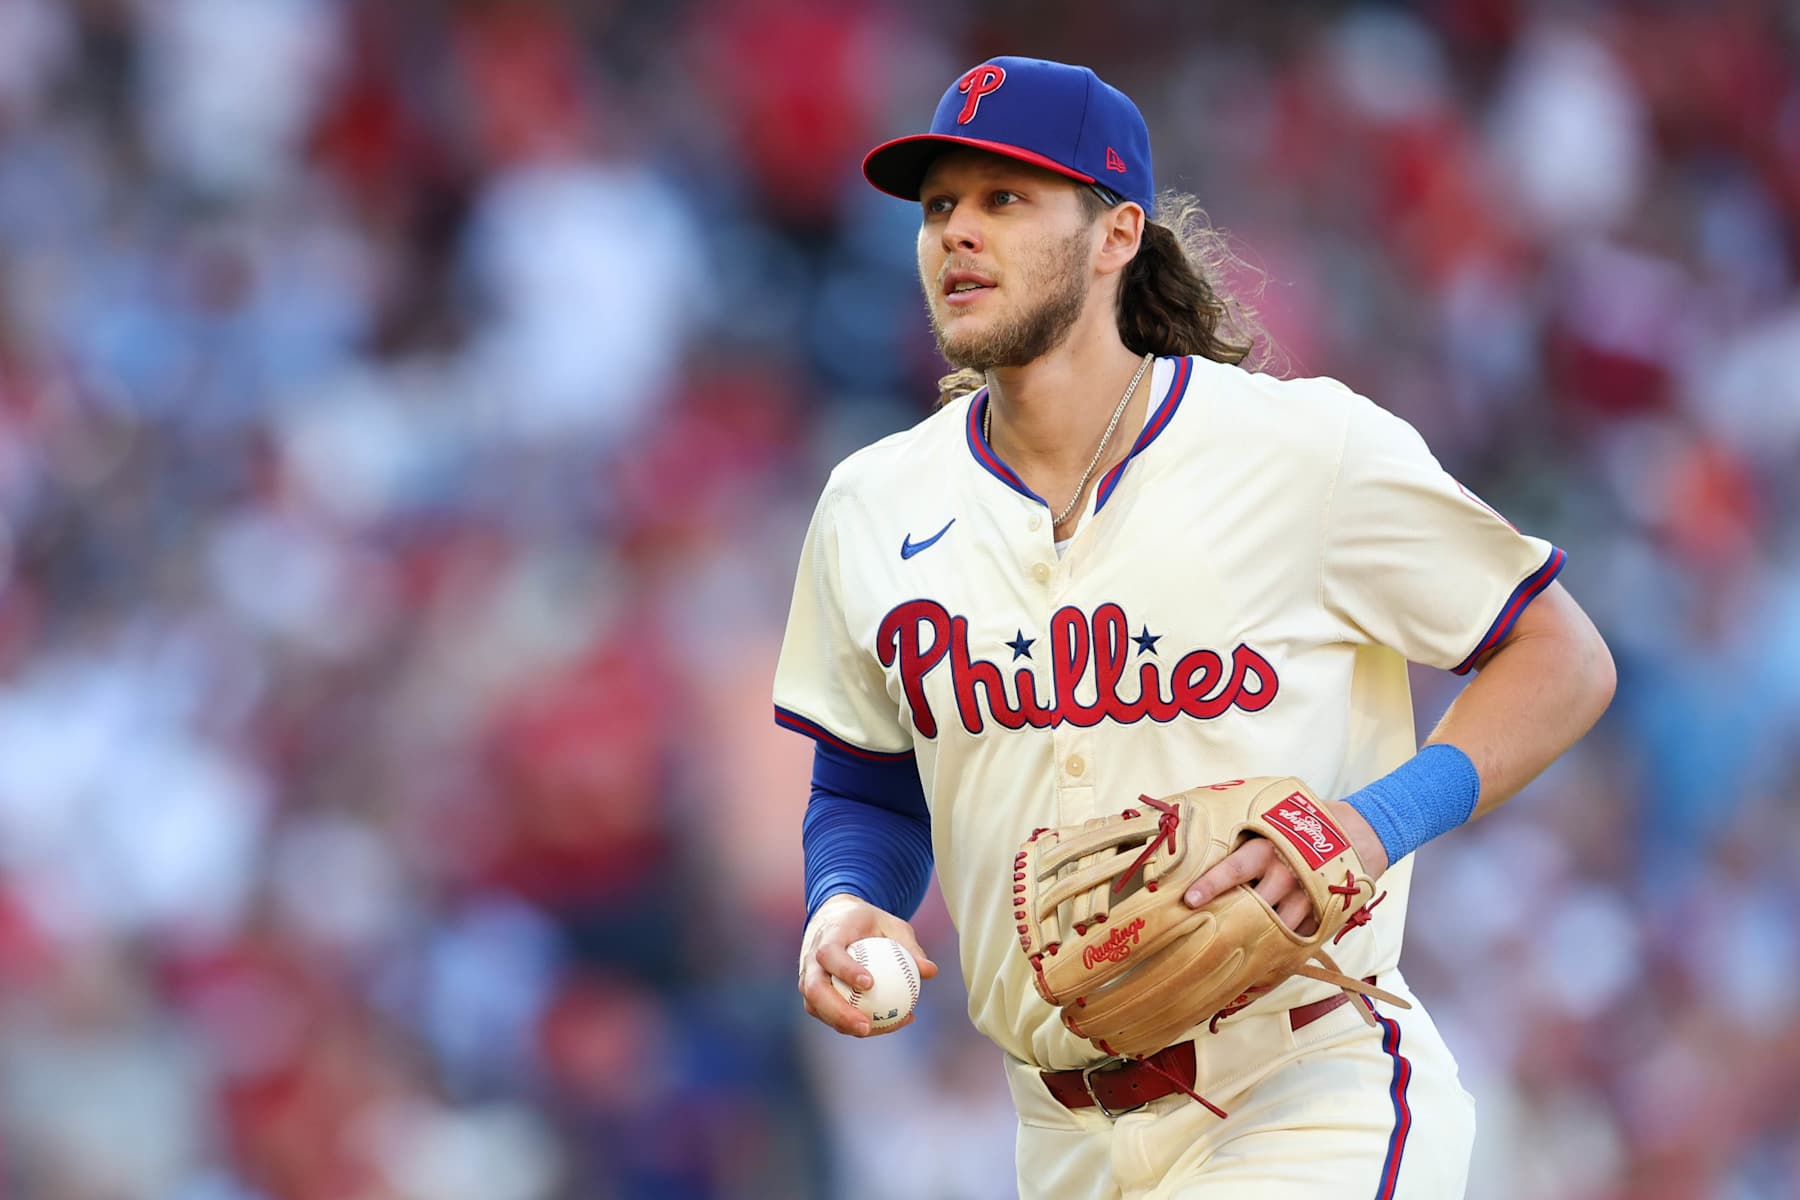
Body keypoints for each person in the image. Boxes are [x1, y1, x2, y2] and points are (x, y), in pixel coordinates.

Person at [773, 56, 1615, 1199]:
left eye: (1004, 198)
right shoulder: (873, 506)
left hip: (1303, 1088)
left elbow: (1563, 656)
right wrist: (847, 896)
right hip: (1061, 1140)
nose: (956, 232)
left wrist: (1374, 826)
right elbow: (867, 784)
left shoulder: (1301, 451)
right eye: (937, 207)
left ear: (1117, 233)